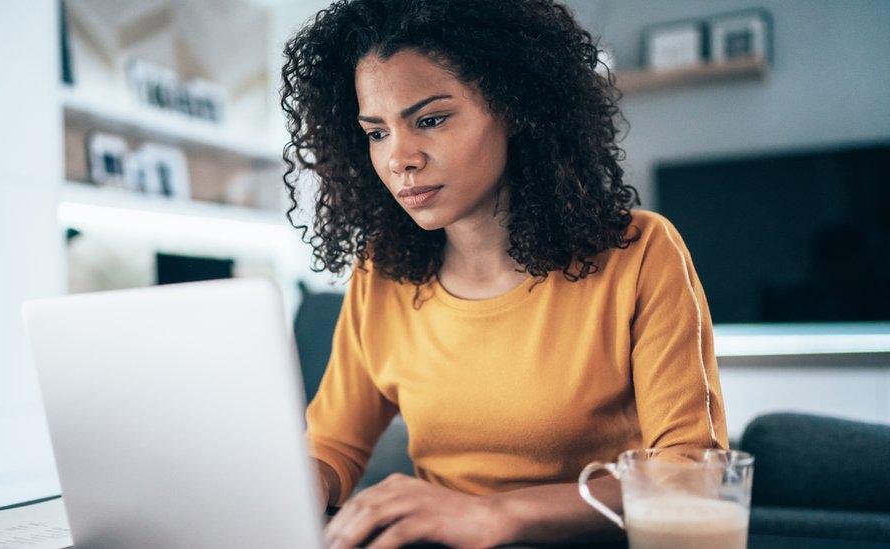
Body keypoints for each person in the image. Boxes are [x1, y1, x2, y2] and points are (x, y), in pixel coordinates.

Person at [279, 0, 729, 546]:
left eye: (430, 120)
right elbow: (333, 445)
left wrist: (498, 515)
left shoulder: (640, 252)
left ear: (514, 108)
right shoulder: (381, 274)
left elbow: (688, 476)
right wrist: (296, 484)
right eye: (376, 133)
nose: (400, 158)